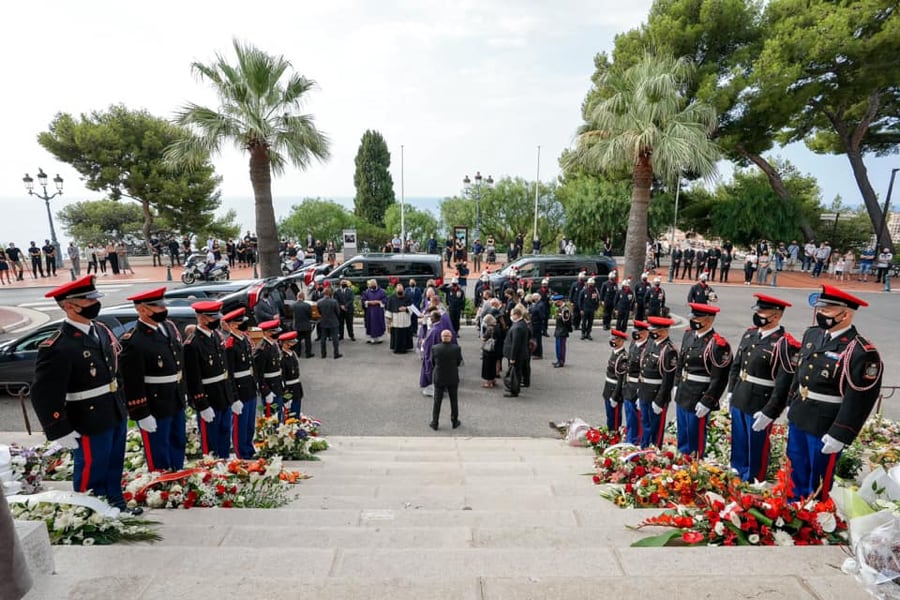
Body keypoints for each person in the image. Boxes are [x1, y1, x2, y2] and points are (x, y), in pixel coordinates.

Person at [30, 275, 136, 514]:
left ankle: (116, 506)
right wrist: (59, 428)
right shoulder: (58, 345)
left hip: (112, 410)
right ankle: (90, 514)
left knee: (113, 463)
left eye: (94, 299)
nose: (94, 304)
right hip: (86, 417)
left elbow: (114, 372)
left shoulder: (100, 330)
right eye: (88, 300)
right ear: (69, 306)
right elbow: (43, 392)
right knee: (92, 468)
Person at [785, 285, 882, 499]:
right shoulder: (812, 334)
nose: (821, 314)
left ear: (845, 314)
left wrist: (841, 433)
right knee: (795, 470)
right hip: (801, 414)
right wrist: (791, 402)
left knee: (819, 479)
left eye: (827, 310)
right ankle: (792, 510)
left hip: (826, 423)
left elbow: (860, 398)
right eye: (820, 309)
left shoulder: (860, 351)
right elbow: (800, 371)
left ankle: (815, 515)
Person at [726, 294, 799, 483]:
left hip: (760, 401)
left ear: (776, 316)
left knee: (756, 447)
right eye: (757, 311)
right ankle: (736, 475)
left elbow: (784, 383)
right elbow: (736, 366)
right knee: (739, 441)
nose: (758, 315)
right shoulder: (750, 334)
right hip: (741, 396)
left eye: (763, 312)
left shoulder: (785, 344)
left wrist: (771, 411)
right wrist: (731, 391)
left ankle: (753, 482)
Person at [119, 287, 187, 471]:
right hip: (155, 403)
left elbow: (178, 362)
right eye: (158, 306)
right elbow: (132, 381)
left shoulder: (167, 328)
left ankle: (178, 479)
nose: (164, 309)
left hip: (175, 397)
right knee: (159, 450)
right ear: (143, 310)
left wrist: (183, 392)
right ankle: (161, 482)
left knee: (178, 442)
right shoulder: (134, 340)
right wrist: (140, 412)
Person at [674, 303, 732, 457]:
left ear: (708, 320)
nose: (693, 321)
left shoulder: (717, 344)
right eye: (693, 318)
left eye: (697, 318)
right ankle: (682, 461)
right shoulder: (689, 335)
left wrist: (708, 400)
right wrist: (676, 384)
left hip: (698, 395)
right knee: (683, 433)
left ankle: (695, 464)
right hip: (684, 391)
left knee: (695, 436)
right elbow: (681, 362)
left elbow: (719, 378)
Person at [183, 301, 233, 458]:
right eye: (213, 318)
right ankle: (211, 467)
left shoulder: (216, 336)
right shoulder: (193, 344)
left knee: (225, 434)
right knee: (210, 441)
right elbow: (193, 378)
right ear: (202, 318)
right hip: (209, 397)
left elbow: (224, 368)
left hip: (223, 394)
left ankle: (225, 464)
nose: (217, 321)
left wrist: (231, 395)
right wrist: (202, 404)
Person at [222, 308, 258, 459]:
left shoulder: (244, 340)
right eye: (240, 322)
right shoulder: (230, 345)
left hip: (249, 386)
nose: (244, 324)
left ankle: (249, 448)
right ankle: (242, 454)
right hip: (240, 389)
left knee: (249, 423)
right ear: (232, 325)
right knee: (240, 425)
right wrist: (234, 397)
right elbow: (229, 374)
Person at [639, 316, 678, 449]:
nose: (651, 333)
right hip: (645, 392)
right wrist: (640, 390)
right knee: (645, 424)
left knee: (655, 428)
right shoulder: (651, 343)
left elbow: (668, 379)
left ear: (663, 331)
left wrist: (660, 401)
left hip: (657, 394)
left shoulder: (669, 350)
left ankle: (654, 452)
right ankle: (644, 449)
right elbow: (643, 369)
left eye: (654, 331)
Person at [622, 320, 650, 445]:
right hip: (629, 386)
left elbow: (644, 371)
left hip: (638, 387)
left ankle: (636, 442)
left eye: (637, 333)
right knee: (630, 416)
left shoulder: (648, 347)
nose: (635, 335)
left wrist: (641, 391)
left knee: (637, 418)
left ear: (645, 333)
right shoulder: (634, 343)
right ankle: (630, 439)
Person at [430, 330, 463, 430]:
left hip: (439, 377)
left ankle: (435, 422)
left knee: (437, 401)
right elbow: (459, 362)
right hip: (452, 377)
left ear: (441, 337)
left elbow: (432, 362)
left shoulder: (435, 348)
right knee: (454, 400)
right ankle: (454, 421)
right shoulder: (456, 348)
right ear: (450, 337)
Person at [254, 319, 286, 420]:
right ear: (266, 333)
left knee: (279, 414)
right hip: (269, 386)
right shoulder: (262, 349)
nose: (276, 334)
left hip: (277, 384)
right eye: (273, 332)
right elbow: (258, 373)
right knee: (271, 417)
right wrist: (265, 391)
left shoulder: (274, 345)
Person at [602, 330, 628, 431]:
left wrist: (615, 396)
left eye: (614, 340)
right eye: (611, 339)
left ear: (621, 341)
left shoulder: (623, 357)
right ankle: (610, 435)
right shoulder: (615, 352)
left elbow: (621, 379)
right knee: (609, 417)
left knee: (615, 420)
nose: (612, 341)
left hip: (614, 392)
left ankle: (615, 437)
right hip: (608, 390)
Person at [502, 305, 530, 397]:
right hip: (521, 353)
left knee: (515, 373)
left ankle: (514, 390)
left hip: (517, 355)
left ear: (516, 315)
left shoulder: (517, 327)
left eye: (512, 315)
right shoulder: (522, 323)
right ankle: (513, 387)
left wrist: (512, 358)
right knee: (516, 372)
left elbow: (515, 344)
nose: (511, 316)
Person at [279, 331, 304, 420]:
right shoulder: (282, 358)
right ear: (285, 344)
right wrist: (286, 396)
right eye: (292, 343)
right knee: (290, 416)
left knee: (296, 413)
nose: (294, 345)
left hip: (296, 387)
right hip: (289, 389)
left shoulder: (293, 354)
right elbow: (282, 378)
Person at [386, 283, 414, 354]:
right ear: (396, 290)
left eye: (401, 290)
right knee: (396, 335)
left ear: (403, 290)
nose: (400, 291)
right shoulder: (391, 298)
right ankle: (396, 348)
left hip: (405, 319)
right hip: (396, 320)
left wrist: (406, 308)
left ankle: (405, 348)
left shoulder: (408, 297)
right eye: (398, 290)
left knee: (405, 334)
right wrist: (388, 321)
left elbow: (412, 308)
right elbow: (389, 309)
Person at [317, 286, 342, 359]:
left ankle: (323, 354)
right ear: (330, 293)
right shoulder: (334, 302)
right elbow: (338, 312)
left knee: (323, 339)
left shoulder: (319, 302)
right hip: (333, 322)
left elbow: (319, 312)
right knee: (335, 338)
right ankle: (336, 354)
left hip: (323, 321)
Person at [361, 279, 387, 343]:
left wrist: (378, 302)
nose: (372, 286)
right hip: (369, 311)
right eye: (371, 285)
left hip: (378, 311)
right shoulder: (367, 292)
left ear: (376, 284)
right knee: (370, 323)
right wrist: (369, 302)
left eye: (373, 284)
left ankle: (379, 338)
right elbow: (363, 300)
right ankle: (370, 338)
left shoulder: (382, 291)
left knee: (379, 323)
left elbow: (385, 300)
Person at [551, 295, 572, 368]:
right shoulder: (560, 309)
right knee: (558, 347)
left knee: (561, 348)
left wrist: (567, 330)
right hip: (558, 330)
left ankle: (561, 361)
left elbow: (566, 321)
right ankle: (558, 360)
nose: (555, 304)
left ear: (559, 301)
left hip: (562, 331)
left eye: (556, 302)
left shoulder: (565, 309)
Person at [292, 292, 315, 358]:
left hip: (297, 326)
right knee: (308, 340)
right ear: (303, 297)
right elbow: (310, 316)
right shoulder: (307, 305)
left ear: (297, 297)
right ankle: (308, 353)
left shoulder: (293, 305)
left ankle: (298, 353)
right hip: (306, 325)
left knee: (298, 340)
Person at [480, 313, 500, 387]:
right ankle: (493, 380)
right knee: (493, 365)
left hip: (489, 350)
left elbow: (484, 338)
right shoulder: (497, 326)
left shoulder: (490, 328)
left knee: (487, 366)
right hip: (496, 349)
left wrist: (482, 338)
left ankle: (488, 382)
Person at [528, 293, 546, 359]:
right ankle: (535, 352)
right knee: (535, 338)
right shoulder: (538, 304)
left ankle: (538, 354)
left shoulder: (540, 305)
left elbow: (542, 315)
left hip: (537, 324)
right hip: (535, 323)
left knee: (538, 339)